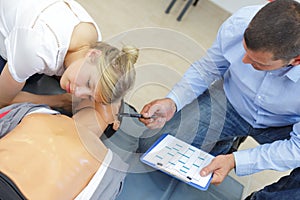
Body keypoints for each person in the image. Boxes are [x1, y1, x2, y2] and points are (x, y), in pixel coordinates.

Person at [139, 0, 300, 199]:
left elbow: (297, 149)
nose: (243, 61)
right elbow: (208, 69)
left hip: (286, 125)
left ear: (296, 60)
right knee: (153, 146)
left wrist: (236, 161)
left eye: (258, 63)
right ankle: (224, 142)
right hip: (231, 101)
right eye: (244, 50)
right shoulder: (242, 21)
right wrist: (173, 101)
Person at [0, 0, 137, 113]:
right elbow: (2, 100)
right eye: (88, 83)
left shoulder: (93, 37)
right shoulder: (38, 47)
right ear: (93, 55)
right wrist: (60, 100)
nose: (77, 93)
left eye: (89, 95)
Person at [0, 101, 126, 200]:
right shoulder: (35, 110)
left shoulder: (110, 166)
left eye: (112, 97)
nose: (103, 93)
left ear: (116, 123)